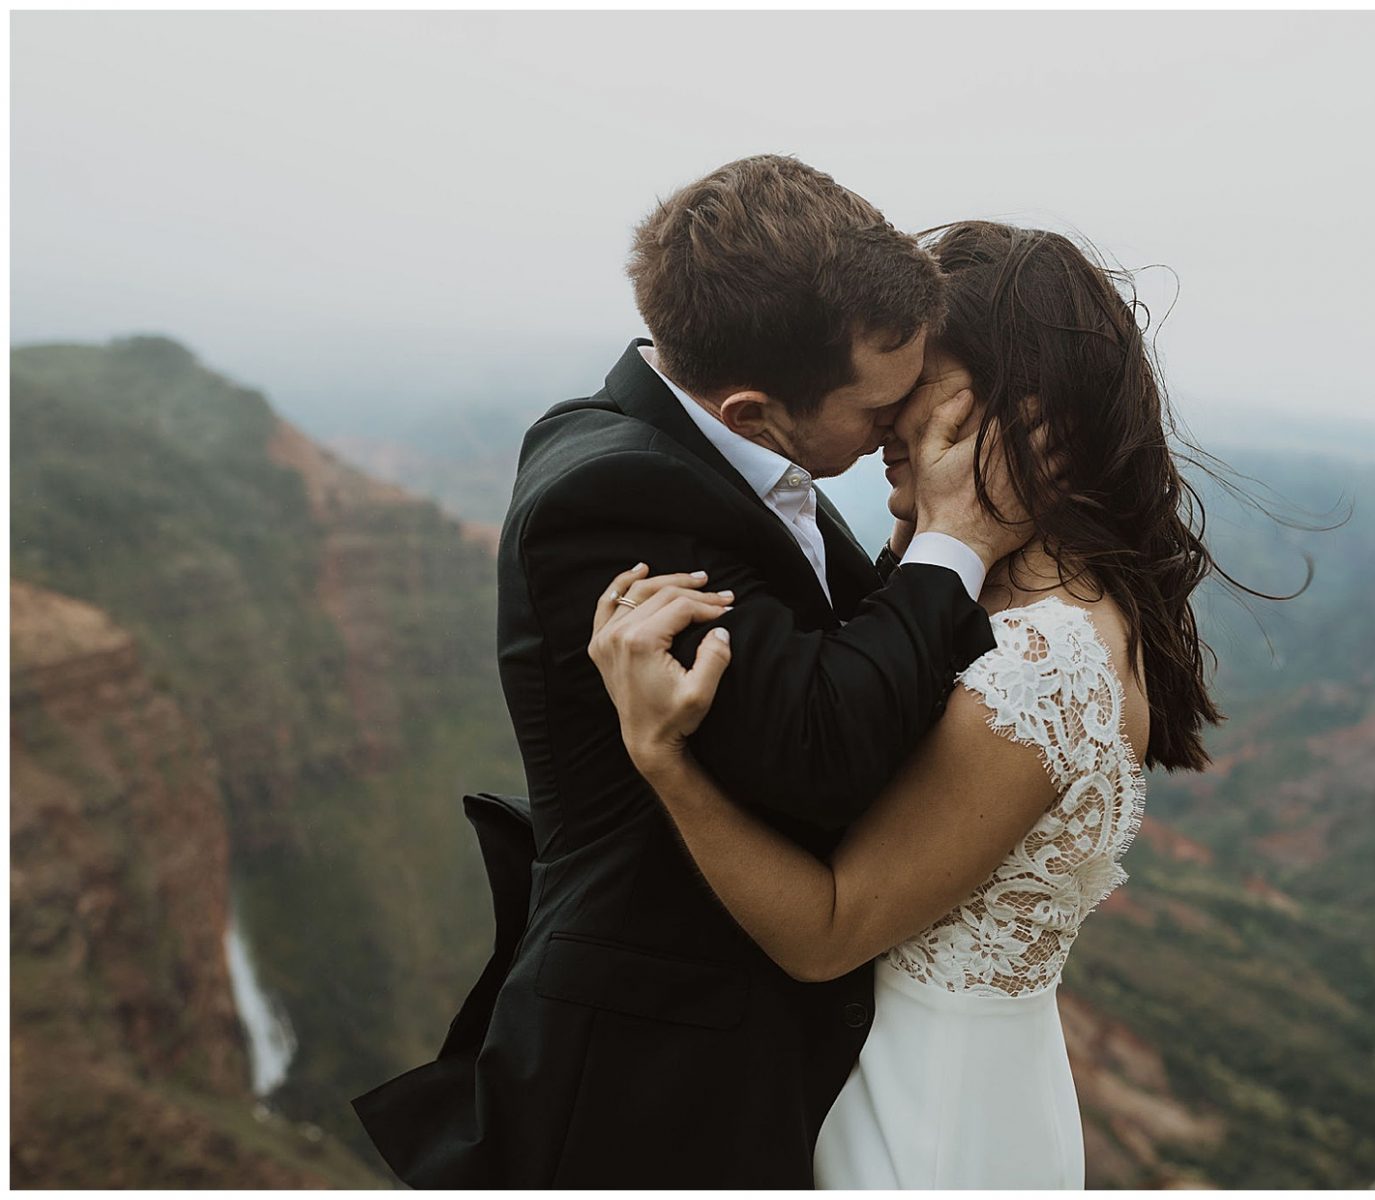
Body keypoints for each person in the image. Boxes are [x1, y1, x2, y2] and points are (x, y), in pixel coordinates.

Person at [350, 159, 1035, 1188]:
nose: (895, 427)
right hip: (654, 1075)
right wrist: (955, 540)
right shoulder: (615, 495)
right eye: (877, 406)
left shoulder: (692, 445)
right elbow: (821, 749)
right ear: (754, 409)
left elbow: (839, 641)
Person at [586, 219, 1226, 1188]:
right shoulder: (1006, 599)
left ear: (1018, 417)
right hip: (933, 1086)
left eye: (923, 401)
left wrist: (664, 761)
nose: (884, 431)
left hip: (932, 1121)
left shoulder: (1040, 658)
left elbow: (826, 929)